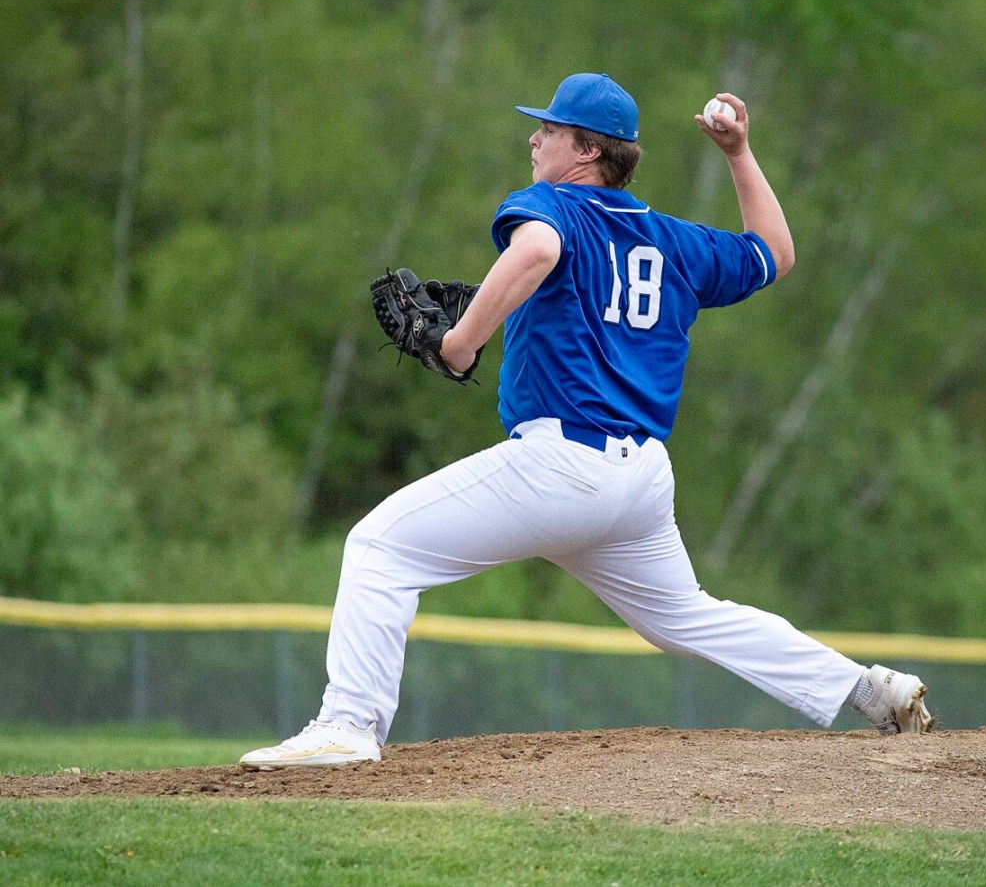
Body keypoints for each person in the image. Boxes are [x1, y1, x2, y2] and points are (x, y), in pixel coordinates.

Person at [240, 73, 933, 770]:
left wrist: (460, 344)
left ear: (587, 151)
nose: (533, 138)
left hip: (560, 465)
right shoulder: (675, 242)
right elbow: (775, 252)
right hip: (640, 483)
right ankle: (868, 690)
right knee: (685, 616)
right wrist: (739, 154)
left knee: (379, 548)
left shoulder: (553, 205)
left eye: (550, 129)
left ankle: (348, 726)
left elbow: (538, 250)